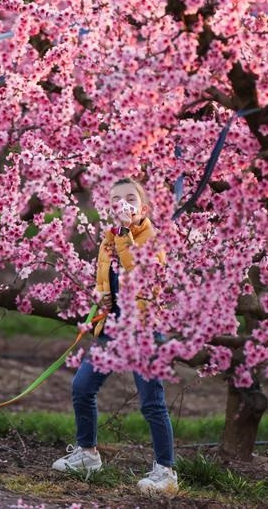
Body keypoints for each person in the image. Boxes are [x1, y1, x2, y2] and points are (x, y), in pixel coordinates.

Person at [51, 177, 178, 495]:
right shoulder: (109, 239)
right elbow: (105, 279)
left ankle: (165, 472)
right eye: (116, 199)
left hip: (143, 330)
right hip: (112, 328)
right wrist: (101, 297)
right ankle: (87, 454)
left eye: (130, 199)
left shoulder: (152, 239)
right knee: (82, 387)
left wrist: (124, 235)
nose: (123, 204)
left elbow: (141, 274)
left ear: (143, 208)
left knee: (151, 402)